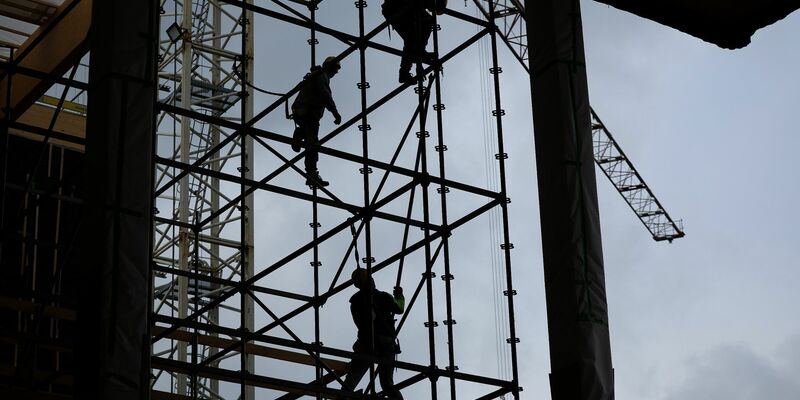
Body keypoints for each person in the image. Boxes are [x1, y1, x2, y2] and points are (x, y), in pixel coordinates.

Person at [341, 269, 405, 399]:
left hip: (367, 342)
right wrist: (399, 296)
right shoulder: (384, 297)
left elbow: (359, 323)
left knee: (352, 379)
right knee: (387, 384)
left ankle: (342, 397)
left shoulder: (355, 301)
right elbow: (399, 308)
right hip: (386, 343)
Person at [290, 56, 342, 187]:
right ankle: (311, 173)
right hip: (308, 113)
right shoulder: (321, 75)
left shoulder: (317, 75)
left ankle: (300, 133)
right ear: (329, 66)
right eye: (335, 68)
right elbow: (325, 95)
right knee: (313, 144)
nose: (336, 72)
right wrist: (335, 112)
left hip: (301, 111)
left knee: (311, 139)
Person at [381, 0, 447, 84]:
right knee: (415, 33)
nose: (430, 10)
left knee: (413, 36)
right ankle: (405, 70)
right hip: (396, 7)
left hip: (396, 8)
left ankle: (416, 57)